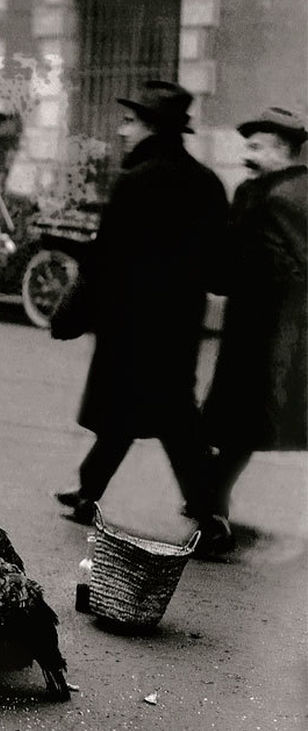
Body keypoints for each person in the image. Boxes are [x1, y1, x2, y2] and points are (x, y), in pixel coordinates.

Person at [50, 81, 231, 552]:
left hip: (130, 321)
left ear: (151, 126)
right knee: (161, 414)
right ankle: (93, 492)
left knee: (142, 414)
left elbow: (105, 258)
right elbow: (220, 267)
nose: (121, 129)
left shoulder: (137, 181)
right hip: (177, 322)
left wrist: (72, 312)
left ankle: (209, 514)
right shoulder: (207, 183)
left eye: (129, 121)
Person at [200, 107, 308, 551]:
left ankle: (210, 504)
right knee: (240, 422)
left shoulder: (282, 197)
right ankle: (210, 500)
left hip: (274, 329)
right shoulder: (267, 190)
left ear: (283, 149)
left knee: (245, 419)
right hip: (259, 326)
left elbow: (288, 262)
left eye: (256, 146)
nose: (247, 153)